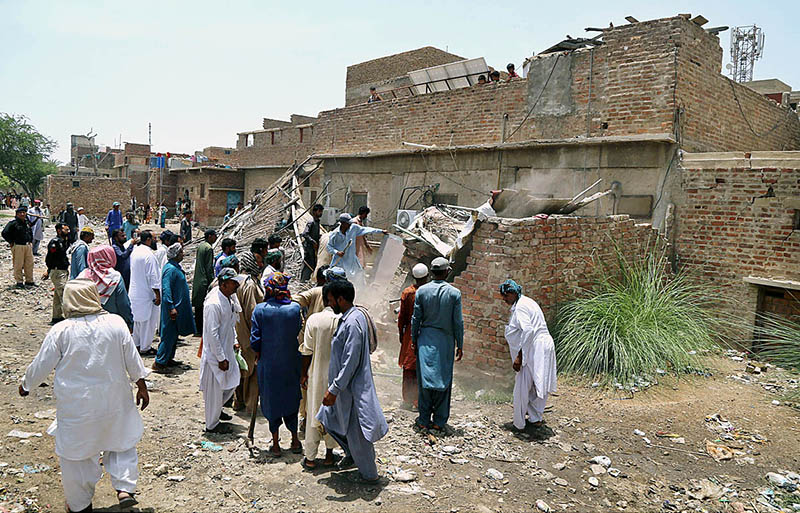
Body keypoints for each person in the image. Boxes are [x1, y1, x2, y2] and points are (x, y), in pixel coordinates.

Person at [18, 280, 150, 512]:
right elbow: (133, 359)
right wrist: (141, 385)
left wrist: (26, 385)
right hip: (114, 401)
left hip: (77, 406)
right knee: (122, 441)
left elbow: (42, 364)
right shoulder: (115, 323)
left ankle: (80, 505)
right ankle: (124, 489)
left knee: (77, 455)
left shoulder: (61, 330)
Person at [317, 279, 388, 484]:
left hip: (352, 389)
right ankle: (351, 455)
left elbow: (351, 360)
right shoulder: (349, 318)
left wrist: (335, 388)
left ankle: (369, 475)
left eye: (331, 300)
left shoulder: (354, 322)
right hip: (343, 389)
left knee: (357, 433)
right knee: (328, 419)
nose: (329, 304)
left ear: (341, 299)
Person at [250, 272, 303, 456]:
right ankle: (295, 440)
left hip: (269, 363)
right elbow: (297, 330)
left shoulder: (260, 310)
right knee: (291, 398)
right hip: (290, 362)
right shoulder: (295, 309)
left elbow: (255, 340)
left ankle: (275, 444)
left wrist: (258, 355)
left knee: (271, 399)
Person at [411, 257, 463, 432]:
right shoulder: (454, 293)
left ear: (431, 273)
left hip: (425, 340)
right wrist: (460, 344)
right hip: (446, 342)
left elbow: (415, 318)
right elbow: (458, 322)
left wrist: (413, 339)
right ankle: (439, 421)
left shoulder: (422, 291)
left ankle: (424, 419)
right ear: (447, 272)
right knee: (444, 381)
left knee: (424, 381)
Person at [500, 279, 557, 430]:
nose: (504, 300)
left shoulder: (521, 308)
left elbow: (529, 330)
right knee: (539, 383)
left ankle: (519, 424)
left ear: (512, 293)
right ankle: (535, 418)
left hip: (536, 346)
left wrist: (520, 356)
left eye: (505, 296)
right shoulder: (528, 302)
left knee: (522, 385)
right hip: (543, 345)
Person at [300, 277, 341, 470]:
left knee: (313, 413)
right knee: (332, 413)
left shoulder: (313, 320)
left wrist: (304, 375)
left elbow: (306, 351)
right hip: (335, 377)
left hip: (315, 374)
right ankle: (329, 456)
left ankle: (310, 457)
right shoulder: (342, 320)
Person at [200, 268, 243, 433]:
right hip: (215, 354)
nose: (236, 285)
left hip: (227, 350)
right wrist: (220, 357)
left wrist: (235, 341)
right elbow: (212, 334)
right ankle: (212, 425)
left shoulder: (229, 299)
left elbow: (231, 323)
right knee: (214, 389)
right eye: (233, 282)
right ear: (224, 284)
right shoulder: (213, 304)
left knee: (231, 381)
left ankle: (217, 410)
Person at [232, 239, 267, 413]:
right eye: (259, 261)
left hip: (234, 332)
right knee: (249, 371)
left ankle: (237, 400)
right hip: (247, 333)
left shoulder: (233, 280)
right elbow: (253, 313)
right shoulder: (249, 284)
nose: (261, 264)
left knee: (238, 368)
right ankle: (248, 404)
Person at [293, 265, 329, 429]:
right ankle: (320, 418)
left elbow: (295, 300)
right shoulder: (330, 292)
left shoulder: (316, 291)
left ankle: (305, 416)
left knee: (305, 379)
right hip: (326, 343)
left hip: (309, 341)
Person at [154, 244, 195, 373]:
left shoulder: (175, 267)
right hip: (171, 309)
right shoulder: (170, 269)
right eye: (181, 252)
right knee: (168, 335)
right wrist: (171, 306)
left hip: (178, 308)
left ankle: (168, 359)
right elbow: (166, 289)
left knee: (174, 334)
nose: (183, 254)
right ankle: (159, 363)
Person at [78, 245, 133, 330]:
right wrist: (129, 322)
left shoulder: (82, 276)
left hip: (87, 324)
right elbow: (123, 304)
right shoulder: (114, 277)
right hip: (111, 324)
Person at [326, 213, 387, 289]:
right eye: (348, 223)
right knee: (340, 281)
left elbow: (366, 229)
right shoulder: (335, 234)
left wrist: (380, 231)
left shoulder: (353, 228)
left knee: (359, 276)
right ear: (343, 223)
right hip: (340, 262)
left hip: (352, 260)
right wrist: (336, 252)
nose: (350, 225)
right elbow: (328, 247)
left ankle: (361, 294)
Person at [398, 263, 429, 409]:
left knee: (408, 368)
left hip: (410, 333)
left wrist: (401, 334)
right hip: (427, 333)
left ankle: (408, 400)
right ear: (427, 276)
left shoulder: (408, 293)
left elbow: (402, 317)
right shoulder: (430, 291)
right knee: (421, 367)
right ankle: (419, 401)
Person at [129, 231, 161, 356]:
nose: (156, 241)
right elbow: (153, 277)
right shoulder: (149, 255)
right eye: (154, 238)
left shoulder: (135, 252)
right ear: (148, 240)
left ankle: (137, 344)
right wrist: (157, 295)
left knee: (137, 321)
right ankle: (145, 347)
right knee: (148, 322)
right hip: (147, 294)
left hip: (136, 292)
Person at [44, 223, 71, 324]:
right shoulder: (55, 242)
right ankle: (69, 318)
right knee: (64, 295)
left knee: (57, 296)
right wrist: (49, 269)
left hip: (61, 270)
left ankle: (56, 317)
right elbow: (50, 257)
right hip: (57, 271)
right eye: (66, 230)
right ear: (59, 231)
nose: (68, 231)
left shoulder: (64, 241)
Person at [192, 229, 217, 335]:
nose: (215, 238)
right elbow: (209, 268)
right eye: (214, 236)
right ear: (210, 236)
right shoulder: (208, 248)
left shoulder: (201, 246)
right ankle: (202, 329)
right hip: (204, 280)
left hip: (198, 278)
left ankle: (198, 328)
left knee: (198, 306)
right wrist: (212, 281)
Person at [3, 206, 35, 287]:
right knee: (18, 264)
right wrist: (11, 241)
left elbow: (30, 232)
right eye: (20, 213)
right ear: (17, 214)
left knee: (29, 263)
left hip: (27, 246)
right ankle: (19, 281)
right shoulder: (13, 223)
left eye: (24, 212)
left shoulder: (27, 223)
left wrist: (31, 241)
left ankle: (29, 280)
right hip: (18, 246)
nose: (22, 214)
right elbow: (4, 233)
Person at [300, 204, 324, 282]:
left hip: (314, 248)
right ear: (314, 212)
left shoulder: (317, 222)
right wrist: (313, 241)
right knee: (308, 265)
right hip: (309, 248)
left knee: (313, 265)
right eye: (319, 211)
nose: (321, 213)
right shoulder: (311, 222)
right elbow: (305, 234)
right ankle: (303, 281)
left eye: (321, 211)